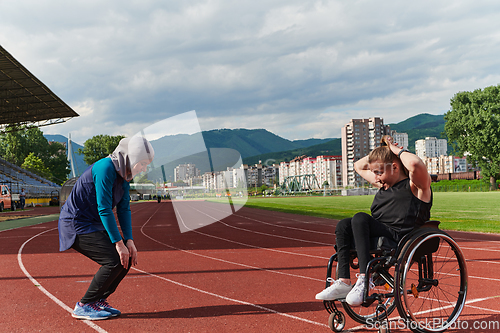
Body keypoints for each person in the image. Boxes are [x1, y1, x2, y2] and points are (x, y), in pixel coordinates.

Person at [315, 135, 432, 306]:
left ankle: (364, 279)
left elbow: (414, 164)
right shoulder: (383, 185)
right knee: (343, 225)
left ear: (394, 167)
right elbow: (358, 166)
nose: (375, 177)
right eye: (375, 173)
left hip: (401, 236)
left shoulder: (416, 186)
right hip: (379, 230)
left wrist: (394, 149)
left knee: (360, 218)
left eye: (379, 172)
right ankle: (344, 281)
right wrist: (382, 149)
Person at [58, 136, 154, 320]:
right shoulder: (105, 168)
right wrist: (119, 243)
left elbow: (124, 209)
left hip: (92, 223)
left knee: (126, 258)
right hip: (76, 223)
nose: (144, 169)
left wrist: (129, 240)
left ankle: (98, 300)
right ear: (130, 158)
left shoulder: (124, 176)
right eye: (142, 163)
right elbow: (104, 208)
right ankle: (84, 305)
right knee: (114, 259)